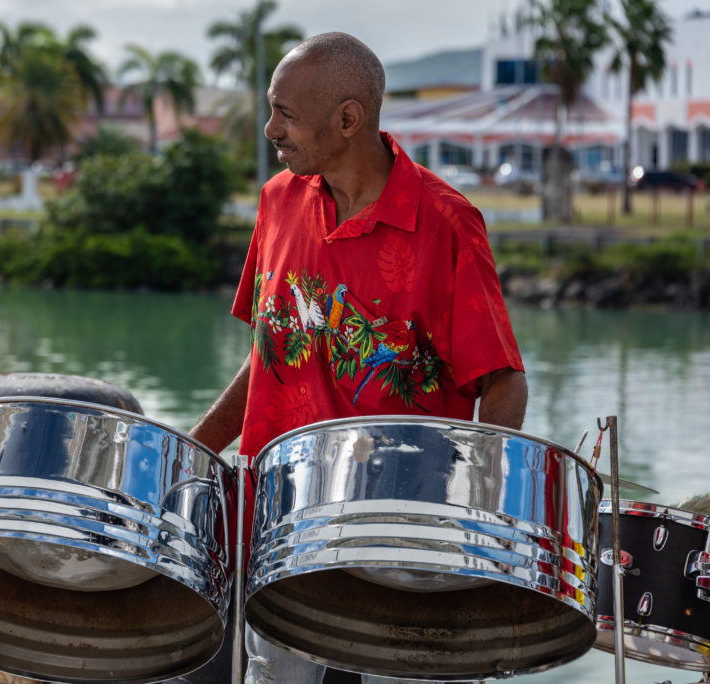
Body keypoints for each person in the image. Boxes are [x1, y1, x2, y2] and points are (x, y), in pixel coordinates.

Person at [189, 32, 528, 684]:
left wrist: (466, 509)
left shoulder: (447, 222)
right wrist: (195, 450)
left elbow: (504, 383)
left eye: (285, 113)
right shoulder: (278, 201)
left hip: (403, 525)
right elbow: (271, 353)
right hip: (282, 515)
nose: (270, 129)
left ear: (348, 119)